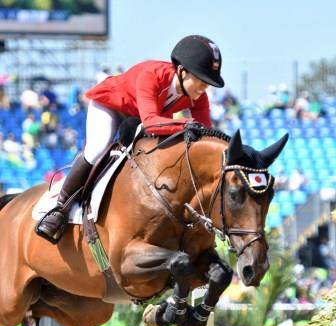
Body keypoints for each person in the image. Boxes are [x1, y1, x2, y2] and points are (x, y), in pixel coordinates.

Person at [35, 35, 225, 244]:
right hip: (110, 105)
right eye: (200, 79)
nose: (203, 88)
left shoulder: (197, 97)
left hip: (139, 118)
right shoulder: (152, 75)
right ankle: (59, 208)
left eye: (207, 83)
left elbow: (205, 133)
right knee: (98, 148)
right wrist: (187, 125)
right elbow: (151, 122)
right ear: (181, 70)